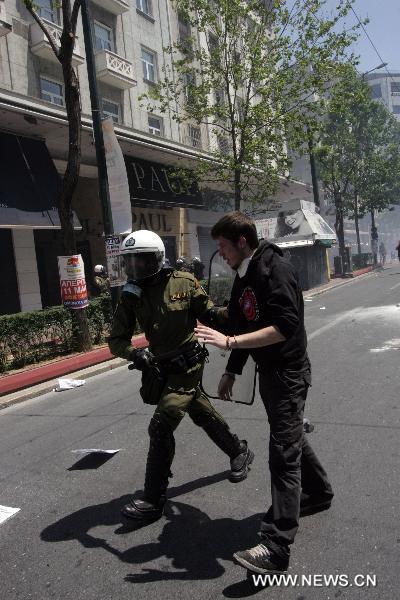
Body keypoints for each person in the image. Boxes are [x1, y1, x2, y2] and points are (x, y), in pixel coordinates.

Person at [194, 212, 333, 575]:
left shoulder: (275, 269)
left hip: (288, 373)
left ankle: (276, 546)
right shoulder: (244, 277)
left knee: (282, 453)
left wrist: (231, 341)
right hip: (270, 373)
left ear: (242, 241)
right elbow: (242, 322)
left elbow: (285, 326)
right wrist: (231, 368)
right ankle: (318, 494)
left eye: (223, 247)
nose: (220, 254)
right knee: (291, 437)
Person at [108, 230, 254, 523]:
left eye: (142, 261)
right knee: (199, 410)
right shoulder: (131, 293)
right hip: (160, 368)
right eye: (130, 262)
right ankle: (238, 450)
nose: (135, 268)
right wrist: (136, 354)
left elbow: (212, 315)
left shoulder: (183, 282)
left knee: (161, 426)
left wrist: (241, 312)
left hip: (188, 365)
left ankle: (152, 498)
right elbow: (116, 339)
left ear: (158, 258)